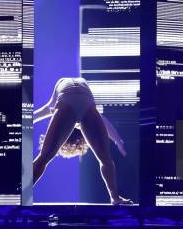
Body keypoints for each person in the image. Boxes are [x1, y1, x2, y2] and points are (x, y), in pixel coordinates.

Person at [32, 77, 132, 205]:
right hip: (83, 103)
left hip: (73, 102)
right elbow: (104, 122)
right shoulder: (69, 82)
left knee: (44, 158)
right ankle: (115, 197)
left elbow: (49, 107)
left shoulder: (62, 83)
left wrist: (32, 119)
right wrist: (117, 140)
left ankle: (24, 191)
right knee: (105, 159)